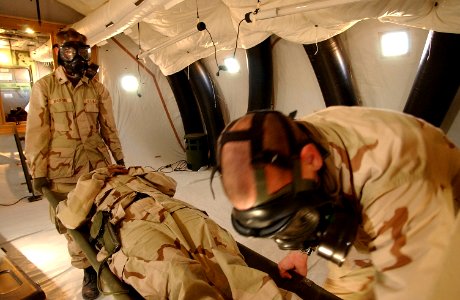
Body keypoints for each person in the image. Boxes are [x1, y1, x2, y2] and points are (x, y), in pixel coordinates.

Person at [215, 106, 460, 300]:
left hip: (432, 206)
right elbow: (311, 198)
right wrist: (302, 250)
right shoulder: (298, 139)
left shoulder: (396, 178)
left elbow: (418, 288)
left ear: (310, 158)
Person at [56, 165, 301, 299]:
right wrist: (93, 181)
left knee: (232, 267)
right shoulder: (86, 187)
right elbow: (71, 218)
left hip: (174, 209)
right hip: (128, 222)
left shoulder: (132, 174)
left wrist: (133, 171)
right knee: (177, 276)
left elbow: (169, 186)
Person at [24, 28, 125, 299]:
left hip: (98, 167)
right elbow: (36, 133)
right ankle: (88, 273)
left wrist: (120, 158)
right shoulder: (44, 87)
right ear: (58, 53)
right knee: (74, 226)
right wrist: (37, 172)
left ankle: (110, 265)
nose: (77, 58)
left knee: (105, 218)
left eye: (82, 52)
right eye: (70, 51)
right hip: (63, 172)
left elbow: (109, 128)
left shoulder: (97, 88)